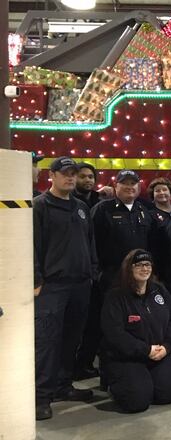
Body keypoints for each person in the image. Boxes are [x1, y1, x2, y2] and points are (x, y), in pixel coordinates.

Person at [32, 156, 98, 420]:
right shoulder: (40, 206)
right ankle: (41, 396)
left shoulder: (81, 207)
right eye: (65, 173)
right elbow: (32, 245)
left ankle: (62, 385)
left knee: (72, 338)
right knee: (47, 341)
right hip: (52, 287)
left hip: (80, 284)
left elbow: (90, 242)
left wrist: (92, 271)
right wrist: (36, 280)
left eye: (74, 173)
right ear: (53, 175)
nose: (70, 178)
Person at [78, 170, 155, 378]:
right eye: (125, 184)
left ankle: (132, 365)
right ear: (116, 186)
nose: (130, 187)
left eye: (134, 184)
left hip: (139, 279)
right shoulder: (102, 210)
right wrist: (96, 274)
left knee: (134, 323)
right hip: (110, 278)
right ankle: (107, 372)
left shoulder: (144, 210)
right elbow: (90, 243)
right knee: (109, 326)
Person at [100, 249, 171, 413]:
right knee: (137, 402)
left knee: (168, 395)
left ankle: (145, 381)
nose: (145, 269)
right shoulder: (115, 296)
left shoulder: (159, 290)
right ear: (129, 268)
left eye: (148, 264)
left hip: (158, 353)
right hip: (126, 358)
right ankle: (114, 383)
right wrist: (145, 350)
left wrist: (167, 347)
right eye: (139, 265)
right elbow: (115, 334)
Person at [147, 177, 171, 276]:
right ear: (153, 195)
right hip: (160, 265)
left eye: (164, 190)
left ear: (170, 193)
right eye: (157, 191)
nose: (161, 192)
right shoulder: (149, 215)